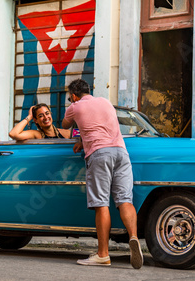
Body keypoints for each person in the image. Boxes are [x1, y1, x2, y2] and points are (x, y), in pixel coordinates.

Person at [62, 79, 143, 269]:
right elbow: (99, 124)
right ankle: (133, 236)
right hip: (121, 152)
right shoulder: (106, 102)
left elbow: (65, 125)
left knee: (101, 204)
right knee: (125, 200)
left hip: (99, 154)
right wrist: (83, 138)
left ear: (73, 95)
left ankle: (103, 255)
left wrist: (72, 113)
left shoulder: (75, 106)